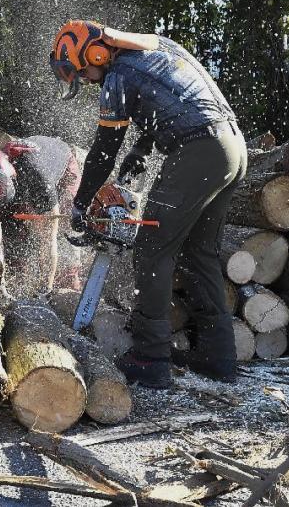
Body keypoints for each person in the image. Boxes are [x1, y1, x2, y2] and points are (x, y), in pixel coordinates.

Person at [50, 20, 246, 386]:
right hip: (232, 147)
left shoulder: (116, 75)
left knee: (152, 248)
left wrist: (80, 205)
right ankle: (219, 356)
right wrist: (141, 148)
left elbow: (103, 152)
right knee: (198, 252)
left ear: (96, 53)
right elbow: (177, 100)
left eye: (85, 71)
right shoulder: (157, 48)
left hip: (199, 152)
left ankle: (150, 358)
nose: (89, 79)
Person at [0, 137, 82, 296]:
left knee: (64, 228)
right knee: (17, 228)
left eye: (1, 190)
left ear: (9, 175)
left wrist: (45, 290)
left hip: (63, 169)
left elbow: (49, 240)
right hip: (22, 183)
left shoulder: (36, 176)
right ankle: (16, 276)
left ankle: (67, 284)